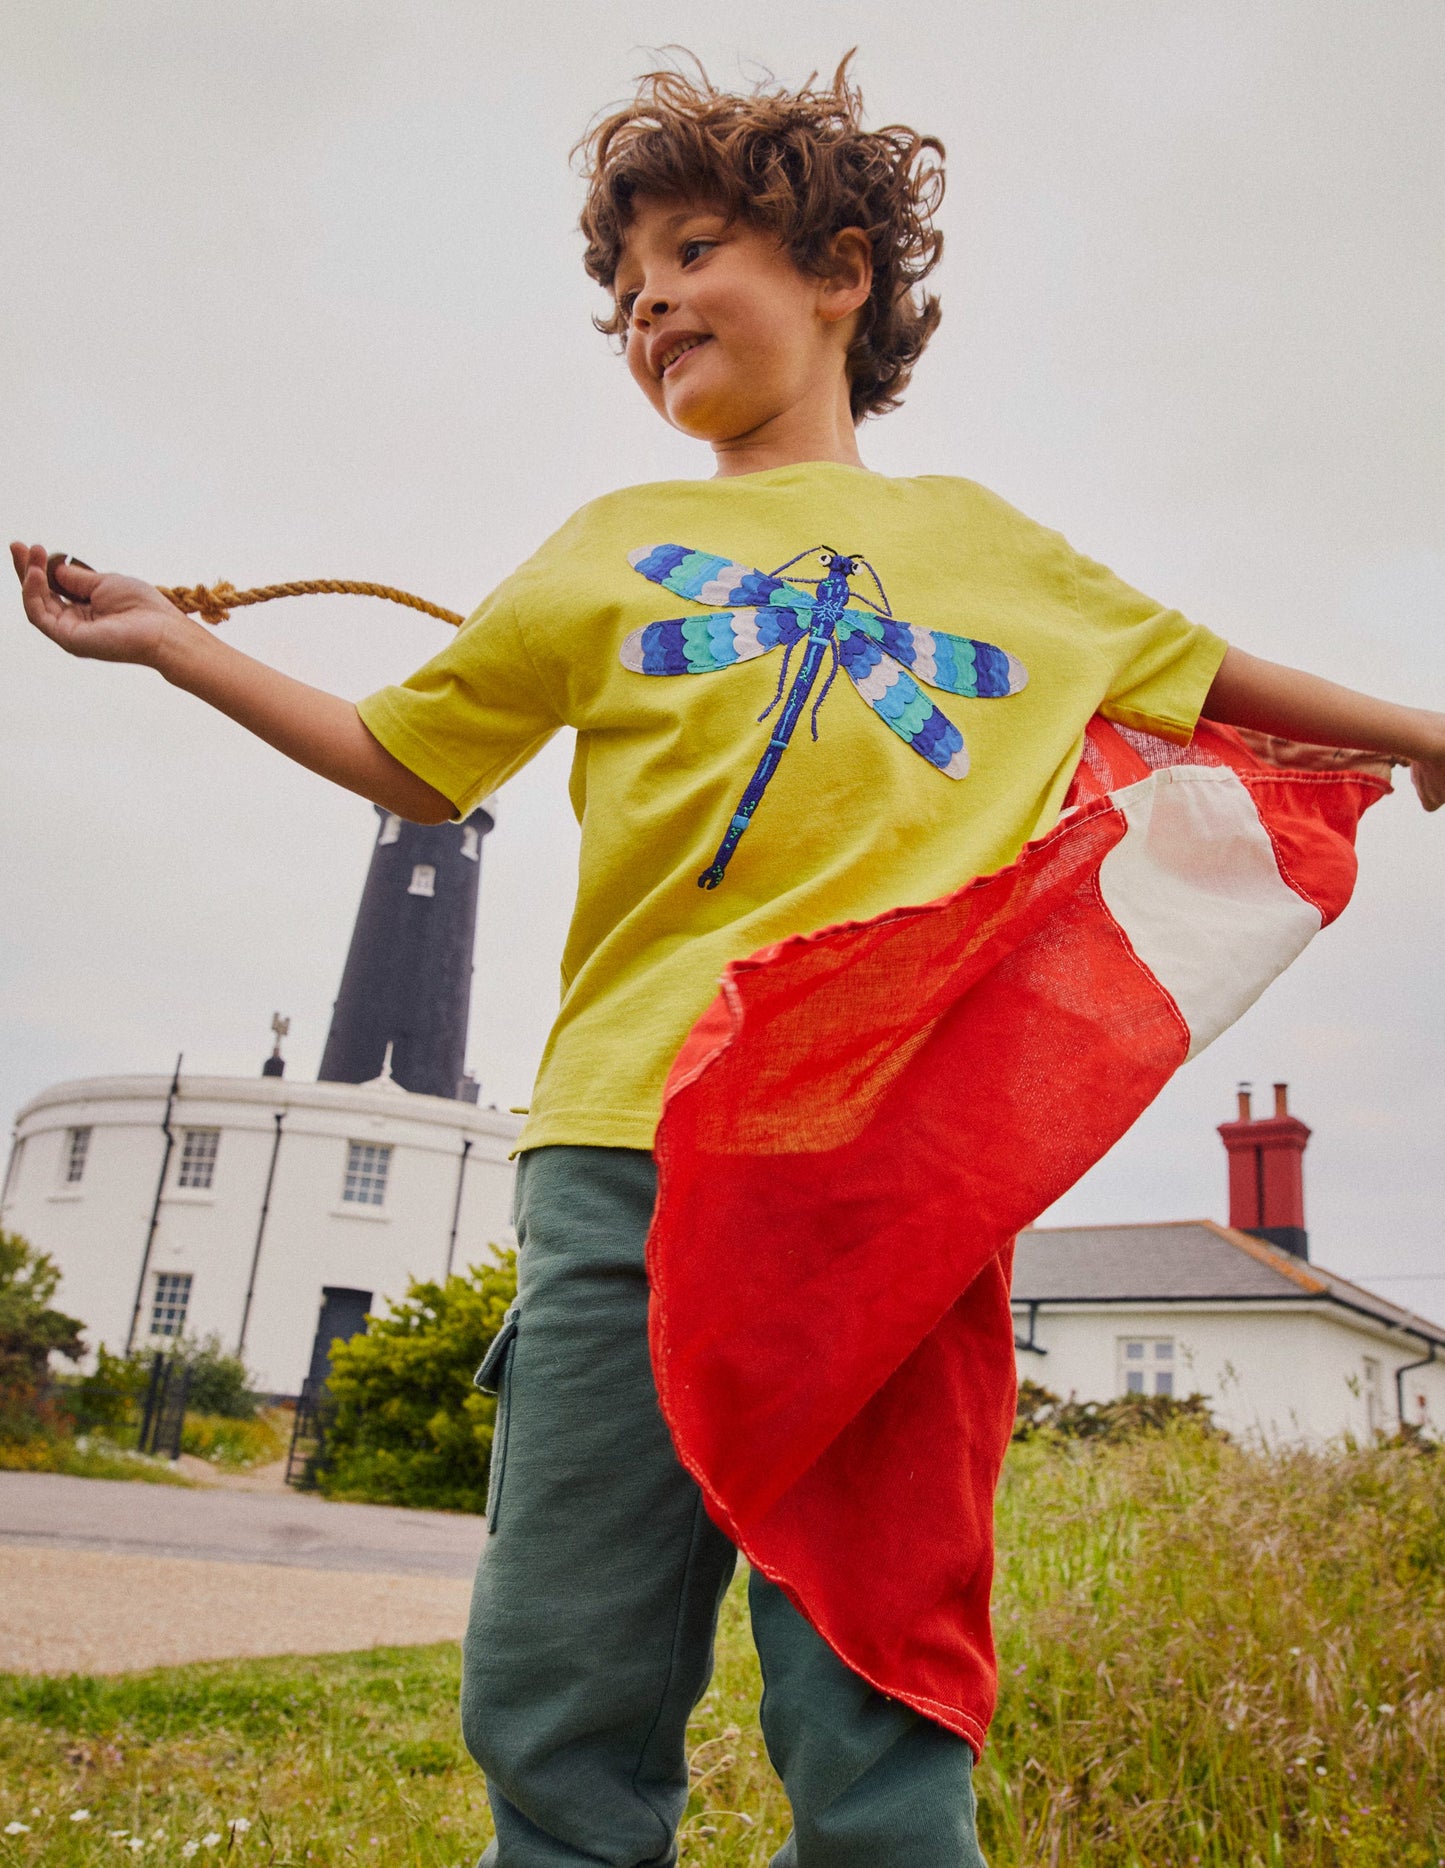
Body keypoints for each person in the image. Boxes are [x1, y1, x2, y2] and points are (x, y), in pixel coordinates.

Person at [12, 56, 1443, 1868]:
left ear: (839, 270)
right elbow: (410, 754)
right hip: (626, 1155)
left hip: (892, 1172)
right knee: (565, 1672)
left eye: (694, 249)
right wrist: (164, 641)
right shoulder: (609, 553)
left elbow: (1208, 671)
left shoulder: (997, 553)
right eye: (622, 292)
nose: (652, 303)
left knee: (881, 1673)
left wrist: (1419, 730)